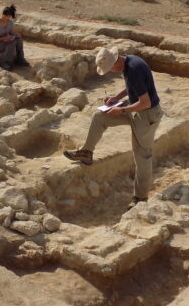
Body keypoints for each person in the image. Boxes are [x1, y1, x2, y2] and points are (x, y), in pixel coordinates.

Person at [64, 47, 162, 204]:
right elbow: (133, 86)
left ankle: (140, 198)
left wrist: (121, 109)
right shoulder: (128, 61)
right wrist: (115, 98)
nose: (110, 72)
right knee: (100, 117)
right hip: (135, 107)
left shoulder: (134, 68)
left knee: (142, 156)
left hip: (147, 115)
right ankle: (86, 153)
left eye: (110, 69)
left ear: (115, 61)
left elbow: (146, 102)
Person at [0, 4, 29, 70]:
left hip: (5, 41)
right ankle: (4, 63)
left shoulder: (10, 22)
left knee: (19, 39)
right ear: (2, 14)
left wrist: (16, 34)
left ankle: (20, 59)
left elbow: (12, 32)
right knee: (12, 42)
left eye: (7, 16)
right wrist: (4, 38)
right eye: (4, 15)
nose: (4, 17)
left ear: (10, 16)